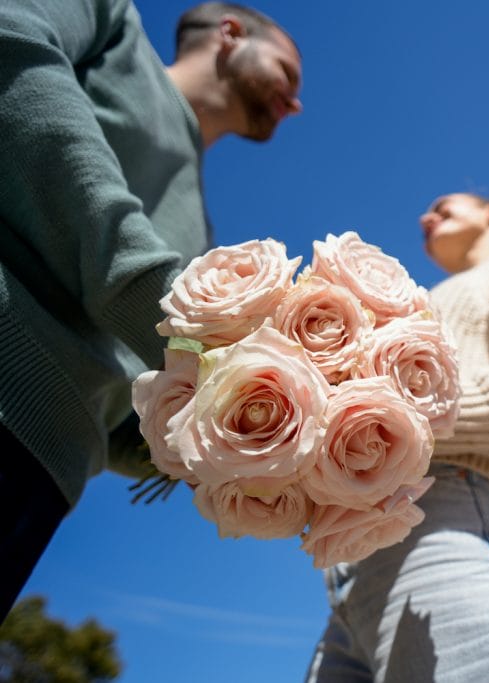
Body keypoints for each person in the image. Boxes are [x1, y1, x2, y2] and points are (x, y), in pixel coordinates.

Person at [0, 0, 302, 619]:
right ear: (231, 32)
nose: (293, 103)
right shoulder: (113, 20)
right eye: (287, 73)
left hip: (41, 476)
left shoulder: (206, 246)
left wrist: (240, 448)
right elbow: (10, 35)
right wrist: (140, 283)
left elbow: (126, 398)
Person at [306, 193, 489, 682]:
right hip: (356, 578)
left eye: (444, 205)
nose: (425, 216)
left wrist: (379, 426)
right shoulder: (429, 300)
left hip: (460, 524)